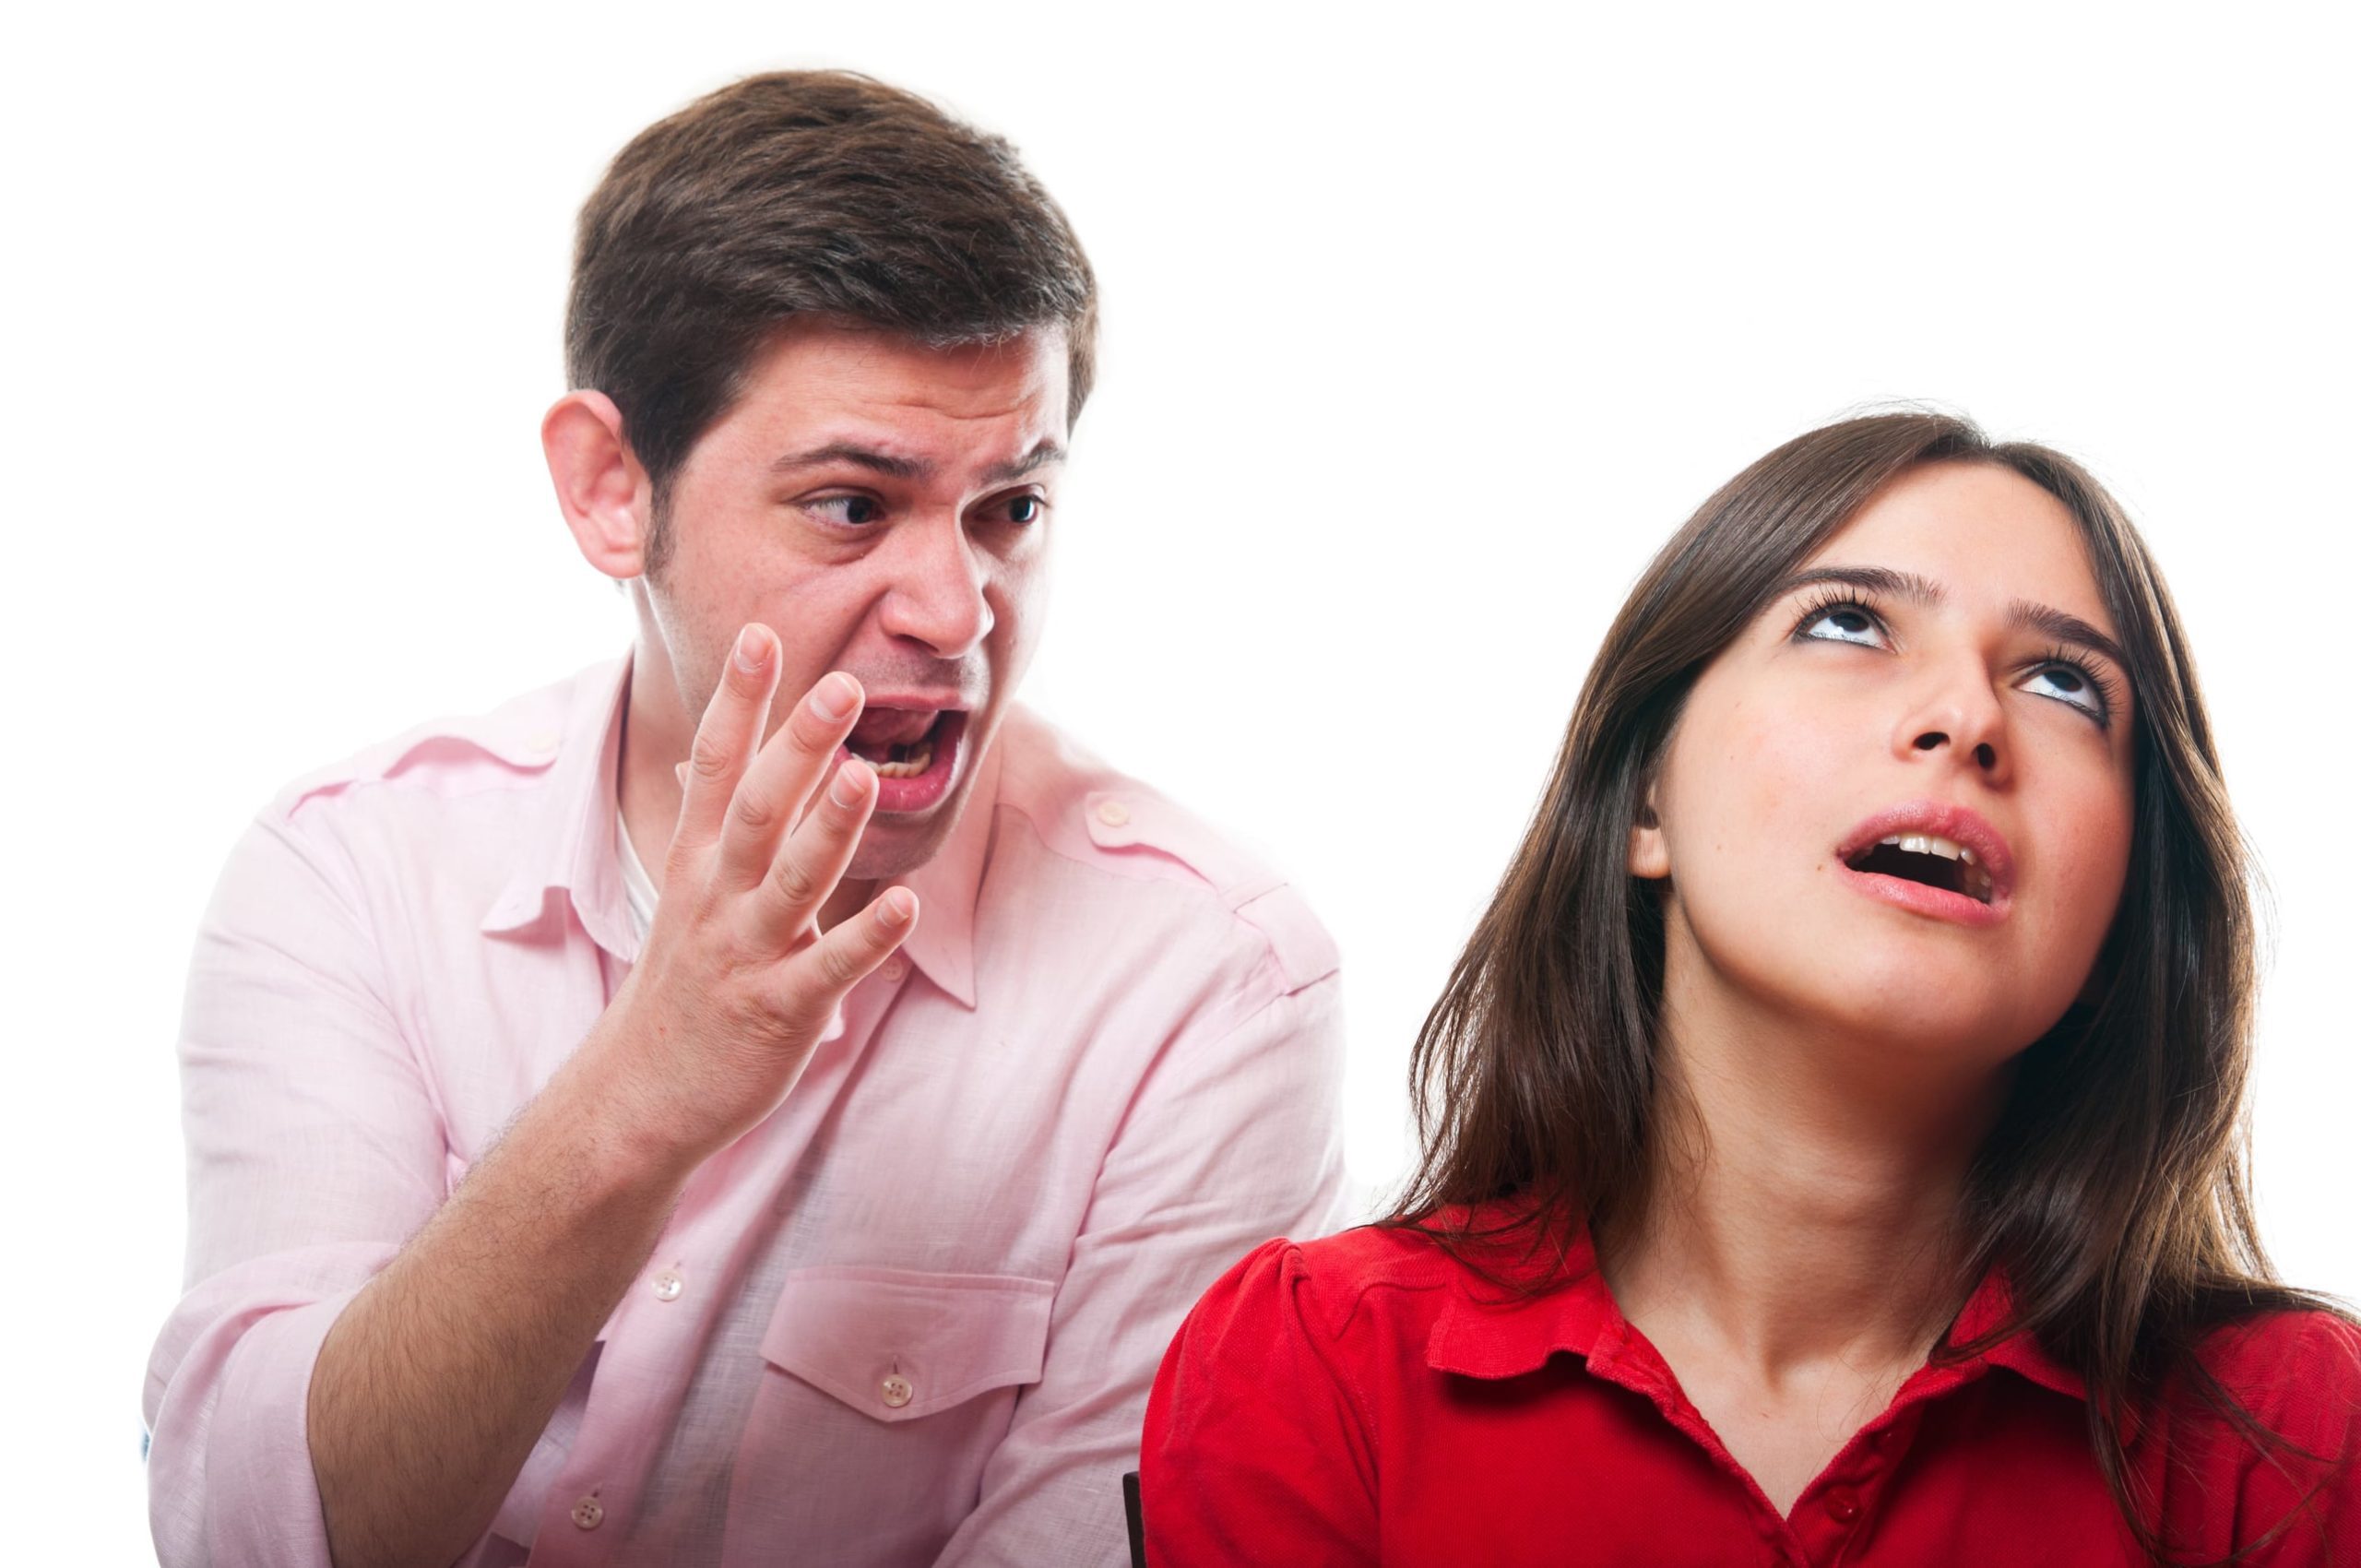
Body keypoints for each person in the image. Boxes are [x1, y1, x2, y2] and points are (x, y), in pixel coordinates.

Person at [145, 71, 1346, 1568]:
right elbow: (260, 1541)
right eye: (852, 505)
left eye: (1011, 509)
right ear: (608, 491)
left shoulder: (1210, 982)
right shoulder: (349, 879)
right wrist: (644, 1089)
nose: (957, 611)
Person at [1143, 411, 2361, 1564]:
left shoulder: (2302, 1432)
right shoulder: (1315, 1366)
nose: (1964, 717)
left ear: (2122, 920)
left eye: (2065, 686)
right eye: (1849, 624)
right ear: (1644, 802)